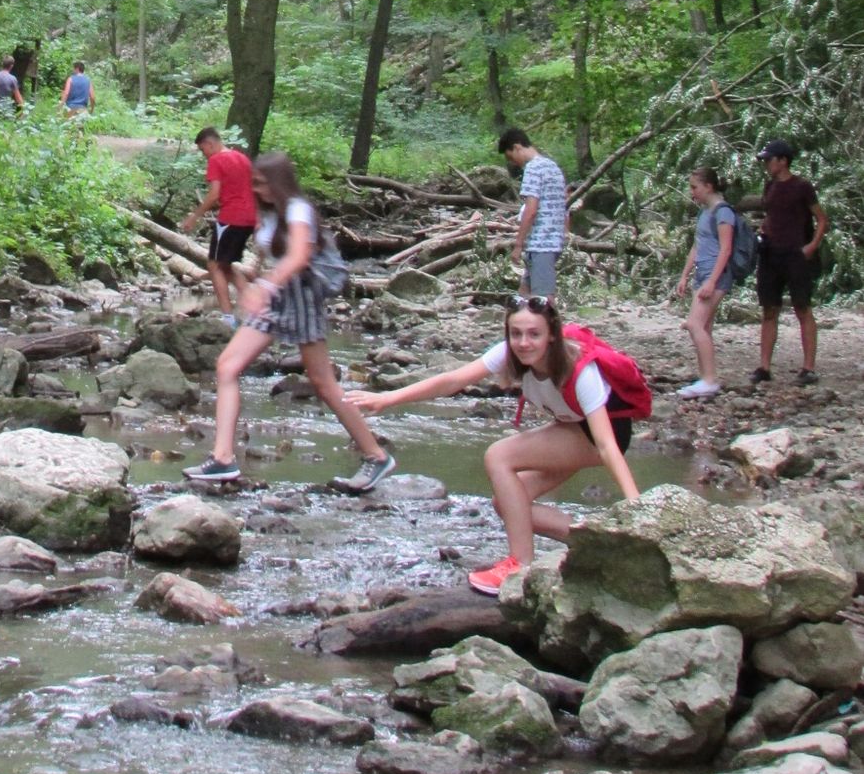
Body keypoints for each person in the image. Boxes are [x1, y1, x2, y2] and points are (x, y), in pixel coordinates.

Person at [351, 296, 643, 595]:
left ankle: (519, 564)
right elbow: (453, 380)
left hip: (601, 435)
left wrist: (637, 508)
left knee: (500, 455)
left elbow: (607, 446)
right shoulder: (510, 353)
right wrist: (387, 398)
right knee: (508, 504)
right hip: (571, 426)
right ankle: (603, 544)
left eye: (534, 334)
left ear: (552, 335)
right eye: (516, 334)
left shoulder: (580, 371)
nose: (524, 343)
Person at [183, 151, 396, 492]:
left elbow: (298, 256)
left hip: (301, 295)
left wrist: (263, 287)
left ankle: (376, 456)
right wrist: (255, 277)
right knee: (227, 366)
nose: (257, 189)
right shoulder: (268, 212)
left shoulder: (298, 209)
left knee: (323, 383)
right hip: (279, 296)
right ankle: (222, 458)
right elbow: (269, 252)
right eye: (254, 183)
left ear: (278, 183)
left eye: (261, 183)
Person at [753, 138, 830, 386]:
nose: (766, 164)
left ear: (783, 160)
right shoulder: (769, 186)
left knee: (802, 308)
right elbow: (771, 216)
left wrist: (812, 246)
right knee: (769, 309)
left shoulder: (802, 187)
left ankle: (808, 368)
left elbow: (821, 218)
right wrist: (763, 231)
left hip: (795, 255)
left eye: (769, 159)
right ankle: (764, 367)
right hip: (770, 254)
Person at [179, 127, 259, 324]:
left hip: (231, 218)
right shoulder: (242, 158)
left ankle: (228, 318)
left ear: (210, 144)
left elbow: (214, 194)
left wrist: (194, 216)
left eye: (202, 150)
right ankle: (257, 309)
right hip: (249, 218)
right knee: (226, 265)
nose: (204, 155)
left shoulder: (216, 160)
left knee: (214, 265)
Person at [676, 167, 737, 399]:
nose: (692, 192)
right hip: (702, 274)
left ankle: (710, 380)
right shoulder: (705, 212)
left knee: (694, 324)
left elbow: (726, 248)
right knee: (704, 327)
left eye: (695, 187)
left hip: (715, 275)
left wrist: (712, 281)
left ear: (709, 186)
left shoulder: (723, 213)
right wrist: (685, 275)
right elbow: (697, 245)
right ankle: (705, 377)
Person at [499, 127, 568, 298]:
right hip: (552, 240)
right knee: (524, 294)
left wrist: (518, 244)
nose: (513, 162)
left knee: (544, 299)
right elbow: (563, 206)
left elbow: (530, 210)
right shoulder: (553, 167)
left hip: (542, 243)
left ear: (517, 147)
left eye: (510, 157)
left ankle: (550, 317)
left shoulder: (533, 169)